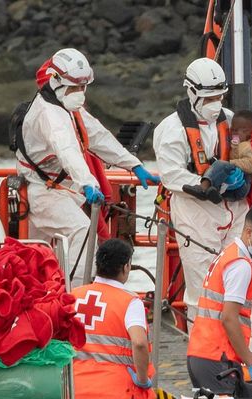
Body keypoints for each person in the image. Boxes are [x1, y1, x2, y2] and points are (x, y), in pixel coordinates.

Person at [16, 48, 159, 286]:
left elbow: (99, 137)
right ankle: (75, 294)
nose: (80, 93)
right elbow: (67, 150)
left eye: (83, 87)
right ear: (56, 81)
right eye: (75, 88)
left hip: (62, 190)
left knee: (35, 257)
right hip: (42, 191)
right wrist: (88, 183)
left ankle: (60, 293)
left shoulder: (69, 108)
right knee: (81, 231)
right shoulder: (48, 113)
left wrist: (133, 165)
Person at [153, 57, 249, 320]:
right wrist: (205, 185)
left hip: (234, 209)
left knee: (241, 276)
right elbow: (172, 174)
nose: (214, 103)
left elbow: (244, 150)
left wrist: (246, 169)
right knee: (202, 284)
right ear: (192, 92)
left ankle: (238, 338)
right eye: (208, 98)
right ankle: (201, 341)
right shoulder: (171, 130)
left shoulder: (230, 120)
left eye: (219, 97)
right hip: (194, 212)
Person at [71, 239, 154, 399]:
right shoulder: (130, 302)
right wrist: (143, 380)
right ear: (126, 267)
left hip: (80, 394)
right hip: (119, 396)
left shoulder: (74, 296)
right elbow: (139, 343)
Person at [186, 201, 252, 394]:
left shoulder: (228, 254)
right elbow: (229, 318)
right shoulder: (241, 265)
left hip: (201, 353)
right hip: (219, 358)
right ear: (249, 232)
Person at [182, 110, 252, 203]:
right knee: (217, 164)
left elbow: (250, 165)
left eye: (240, 131)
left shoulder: (246, 146)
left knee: (221, 164)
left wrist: (230, 163)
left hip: (241, 187)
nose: (235, 133)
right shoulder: (235, 144)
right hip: (229, 189)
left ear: (250, 133)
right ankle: (214, 193)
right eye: (233, 129)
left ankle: (203, 188)